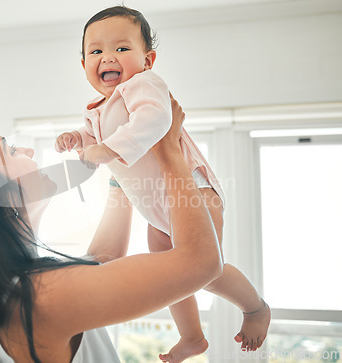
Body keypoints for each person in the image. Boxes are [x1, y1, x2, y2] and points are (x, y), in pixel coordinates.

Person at [0, 99, 223, 363]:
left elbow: (100, 262)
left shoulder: (10, 293)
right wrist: (168, 150)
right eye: (11, 151)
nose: (28, 151)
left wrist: (122, 172)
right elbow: (201, 262)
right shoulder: (37, 299)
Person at [55, 6, 270, 362]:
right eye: (96, 51)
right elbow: (93, 134)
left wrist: (107, 149)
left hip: (192, 189)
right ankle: (192, 337)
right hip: (154, 205)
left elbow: (155, 121)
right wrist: (76, 139)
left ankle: (254, 308)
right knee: (171, 272)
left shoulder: (144, 85)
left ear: (148, 59)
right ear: (83, 65)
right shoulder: (96, 108)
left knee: (206, 269)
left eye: (122, 48)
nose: (108, 56)